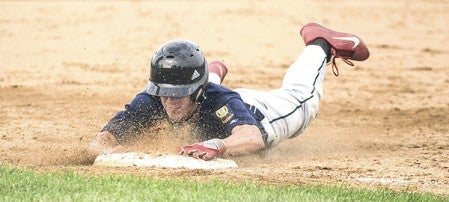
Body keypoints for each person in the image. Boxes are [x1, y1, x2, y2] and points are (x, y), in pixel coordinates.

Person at [87, 23, 370, 161]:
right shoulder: (152, 99)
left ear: (197, 90)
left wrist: (217, 145)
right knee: (203, 103)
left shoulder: (219, 100)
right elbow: (101, 140)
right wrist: (107, 150)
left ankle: (319, 43)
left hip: (262, 114)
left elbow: (252, 138)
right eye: (164, 93)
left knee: (302, 99)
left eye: (179, 93)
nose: (170, 102)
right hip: (215, 96)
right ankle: (214, 74)